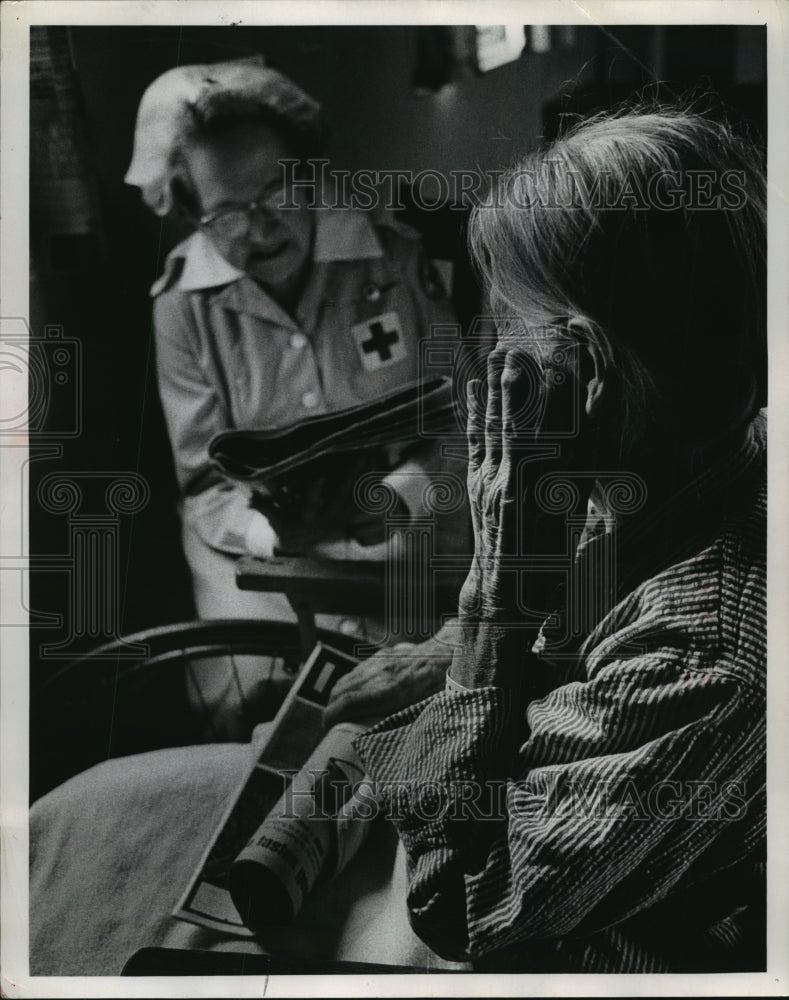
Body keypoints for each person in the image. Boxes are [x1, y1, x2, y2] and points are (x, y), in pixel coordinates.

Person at [352, 107, 768, 972]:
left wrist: (492, 603)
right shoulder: (690, 457)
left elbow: (462, 901)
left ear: (587, 367)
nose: (491, 351)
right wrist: (451, 649)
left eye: (509, 324)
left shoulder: (707, 653)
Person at [124, 56, 466, 732]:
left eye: (276, 193)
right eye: (226, 213)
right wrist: (270, 533)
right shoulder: (181, 309)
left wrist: (399, 496)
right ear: (194, 213)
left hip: (401, 528)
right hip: (257, 557)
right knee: (257, 708)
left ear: (308, 176)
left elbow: (462, 424)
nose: (259, 229)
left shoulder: (390, 260)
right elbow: (202, 485)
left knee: (421, 697)